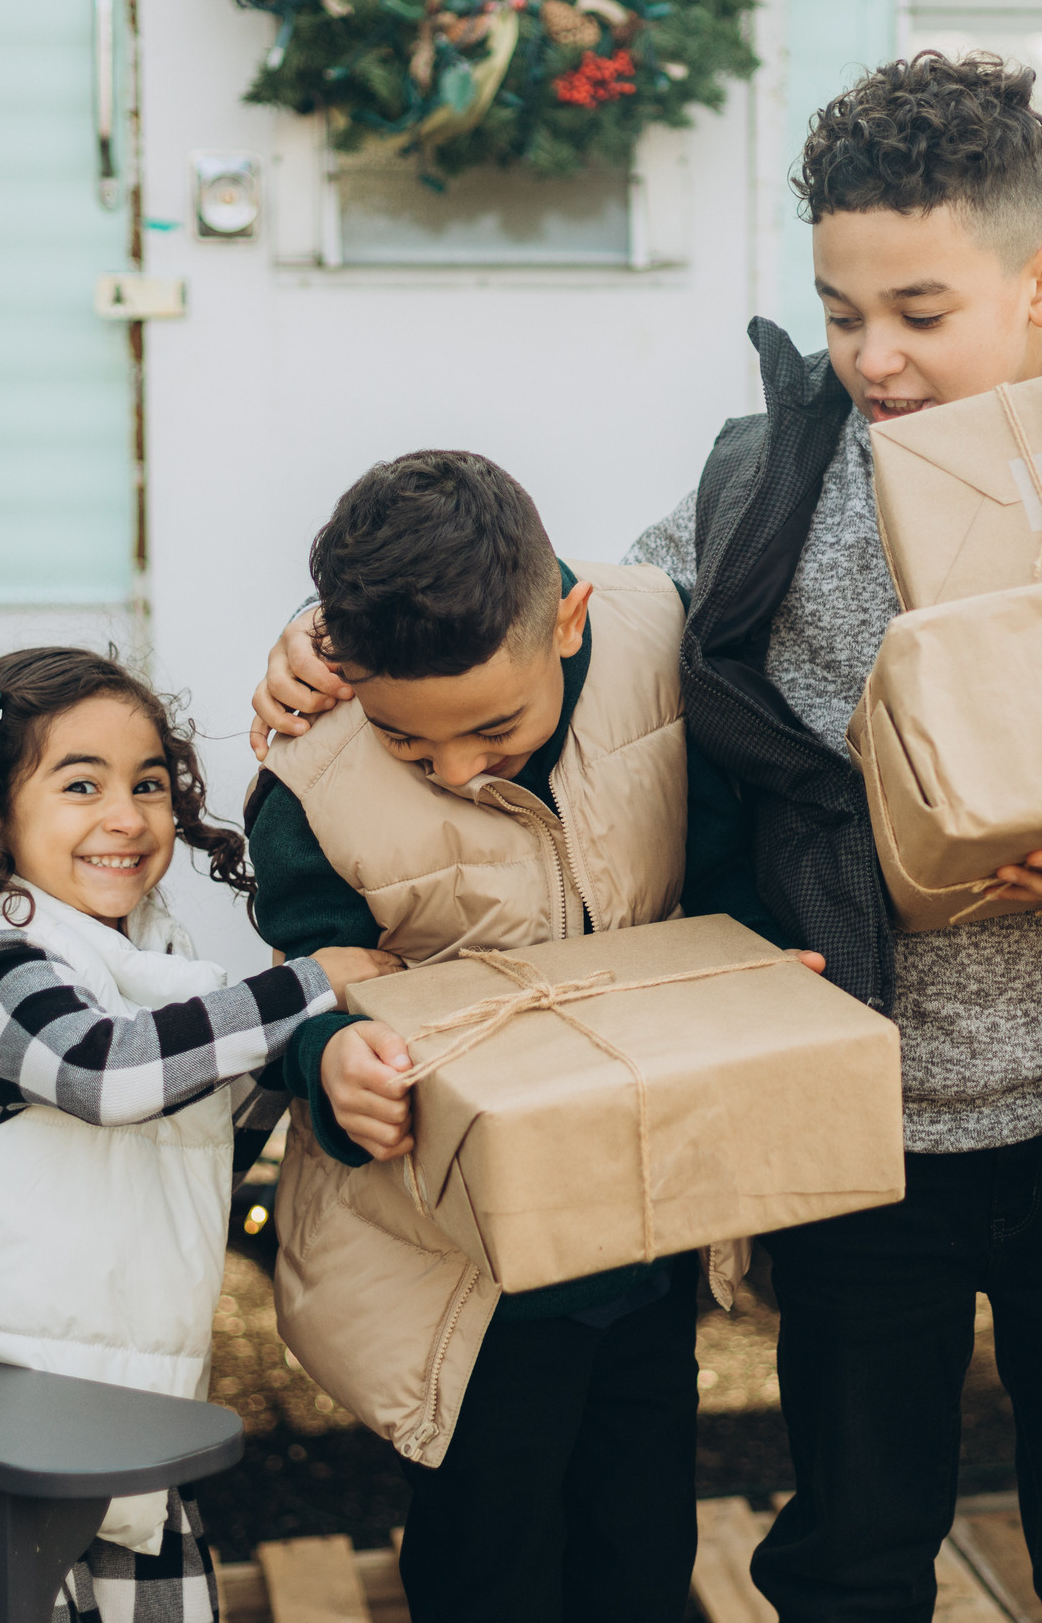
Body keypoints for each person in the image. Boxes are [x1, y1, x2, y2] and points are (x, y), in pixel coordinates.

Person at [253, 57, 1042, 1621]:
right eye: (840, 314)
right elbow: (565, 619)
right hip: (856, 1135)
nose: (874, 358)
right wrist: (332, 626)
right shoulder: (769, 484)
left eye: (919, 310)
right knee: (847, 1546)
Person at [244, 450, 811, 1623]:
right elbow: (306, 986)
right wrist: (327, 1066)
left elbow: (723, 872)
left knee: (639, 1537)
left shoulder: (663, 647)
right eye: (412, 745)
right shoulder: (311, 775)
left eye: (492, 730)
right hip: (455, 1270)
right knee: (485, 1556)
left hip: (643, 1230)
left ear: (568, 622)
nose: (456, 769)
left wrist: (759, 979)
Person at [0, 646, 402, 1623]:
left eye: (150, 785)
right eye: (81, 785)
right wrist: (315, 982)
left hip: (95, 1411)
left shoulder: (147, 969)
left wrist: (326, 1075)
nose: (126, 817)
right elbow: (105, 1070)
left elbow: (202, 1124)